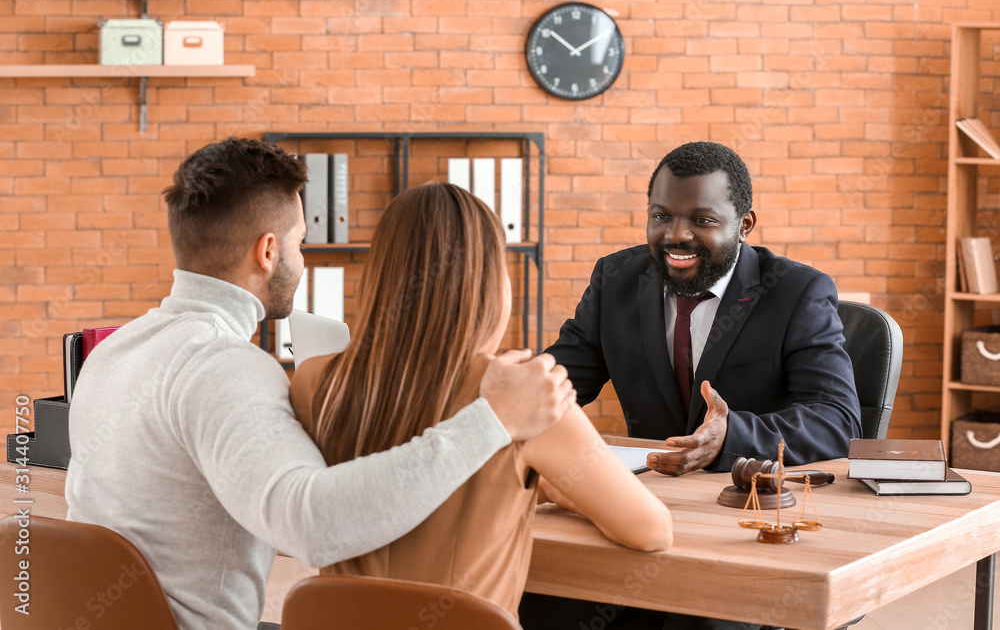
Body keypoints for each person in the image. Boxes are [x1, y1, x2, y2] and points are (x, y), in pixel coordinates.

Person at [65, 138, 575, 630]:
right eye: (300, 243)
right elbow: (316, 525)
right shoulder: (226, 366)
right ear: (268, 252)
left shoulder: (114, 351)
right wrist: (494, 420)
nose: (302, 261)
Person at [289, 181, 673, 617]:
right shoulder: (527, 394)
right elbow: (652, 530)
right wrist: (567, 493)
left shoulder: (311, 382)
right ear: (491, 282)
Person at [520, 141, 861, 630]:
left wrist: (731, 436)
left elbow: (838, 419)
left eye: (702, 220)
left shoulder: (795, 293)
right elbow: (555, 383)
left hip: (745, 522)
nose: (676, 235)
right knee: (542, 586)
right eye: (661, 216)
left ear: (745, 225)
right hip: (640, 512)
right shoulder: (616, 278)